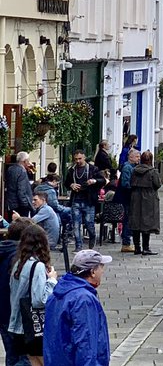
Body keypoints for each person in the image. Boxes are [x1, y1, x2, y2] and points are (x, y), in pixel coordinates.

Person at [43, 249, 110, 366]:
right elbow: (86, 343)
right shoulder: (84, 299)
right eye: (101, 267)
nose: (103, 271)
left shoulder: (57, 293)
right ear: (93, 271)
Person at [8, 227, 58, 366]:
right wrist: (52, 280)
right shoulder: (38, 266)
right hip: (34, 327)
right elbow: (40, 300)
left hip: (18, 324)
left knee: (32, 361)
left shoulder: (18, 264)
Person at [0, 220, 32, 366]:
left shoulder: (4, 251)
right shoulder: (19, 258)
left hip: (3, 312)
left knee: (11, 355)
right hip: (18, 314)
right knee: (24, 358)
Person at [128, 151, 161, 256]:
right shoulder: (153, 172)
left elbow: (131, 183)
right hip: (149, 198)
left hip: (135, 197)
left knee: (136, 222)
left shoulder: (134, 170)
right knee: (147, 221)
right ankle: (146, 247)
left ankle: (137, 247)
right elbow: (157, 184)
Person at [66, 152, 100, 251]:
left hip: (88, 200)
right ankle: (78, 246)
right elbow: (66, 182)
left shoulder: (93, 169)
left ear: (84, 157)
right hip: (76, 199)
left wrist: (94, 181)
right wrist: (71, 185)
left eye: (80, 158)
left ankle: (92, 236)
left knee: (89, 223)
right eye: (76, 159)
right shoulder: (72, 170)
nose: (78, 161)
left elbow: (102, 180)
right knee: (75, 224)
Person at [5, 153, 34, 218]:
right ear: (25, 161)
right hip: (20, 205)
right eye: (28, 160)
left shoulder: (10, 169)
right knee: (22, 225)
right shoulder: (22, 171)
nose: (29, 162)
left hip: (11, 203)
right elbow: (21, 190)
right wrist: (25, 204)